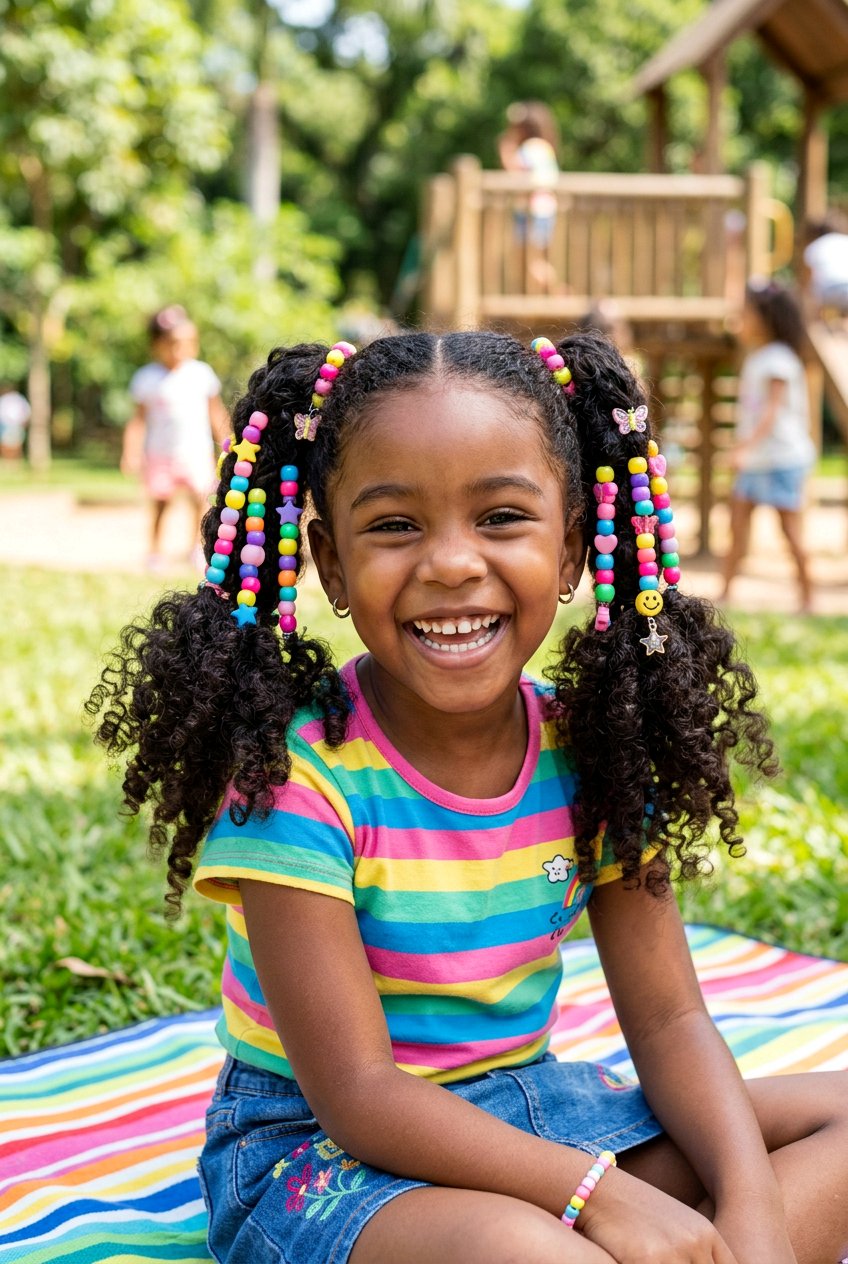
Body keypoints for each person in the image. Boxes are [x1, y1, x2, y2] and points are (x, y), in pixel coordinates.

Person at [88, 330, 848, 1264]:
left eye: (501, 518)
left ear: (572, 548)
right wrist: (597, 1199)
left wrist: (753, 1209)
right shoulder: (298, 780)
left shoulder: (594, 750)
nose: (452, 562)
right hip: (322, 1156)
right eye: (396, 525)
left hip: (532, 1114)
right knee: (530, 1252)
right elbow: (359, 1092)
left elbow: (669, 1019)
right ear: (328, 562)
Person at [720, 280, 816, 612]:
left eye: (744, 314)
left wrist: (742, 447)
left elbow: (772, 412)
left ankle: (808, 597)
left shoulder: (779, 359)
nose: (739, 320)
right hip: (757, 460)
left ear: (764, 318)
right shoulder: (759, 357)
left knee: (790, 531)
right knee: (736, 525)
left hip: (781, 458)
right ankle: (726, 592)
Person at [121, 305, 228, 570]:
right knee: (161, 502)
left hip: (196, 452)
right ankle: (155, 551)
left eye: (188, 342)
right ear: (156, 345)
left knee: (200, 501)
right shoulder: (146, 378)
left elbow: (216, 413)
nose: (181, 349)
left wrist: (227, 443)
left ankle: (196, 548)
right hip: (161, 455)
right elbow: (137, 420)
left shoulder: (201, 373)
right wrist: (130, 452)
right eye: (173, 343)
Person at [498, 101, 560, 291]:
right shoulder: (546, 147)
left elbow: (516, 172)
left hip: (531, 211)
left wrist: (505, 150)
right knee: (536, 261)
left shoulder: (529, 148)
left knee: (528, 262)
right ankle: (555, 293)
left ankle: (558, 293)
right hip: (545, 209)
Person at [802, 214, 848, 324]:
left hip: (828, 289)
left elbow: (808, 281)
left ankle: (816, 325)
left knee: (813, 299)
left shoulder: (814, 246)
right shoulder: (845, 240)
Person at [0, 384, 31, 462]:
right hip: (5, 423)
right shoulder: (4, 399)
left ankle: (15, 460)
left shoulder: (18, 399)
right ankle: (7, 460)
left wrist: (24, 421)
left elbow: (26, 411)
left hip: (16, 424)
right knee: (5, 443)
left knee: (16, 443)